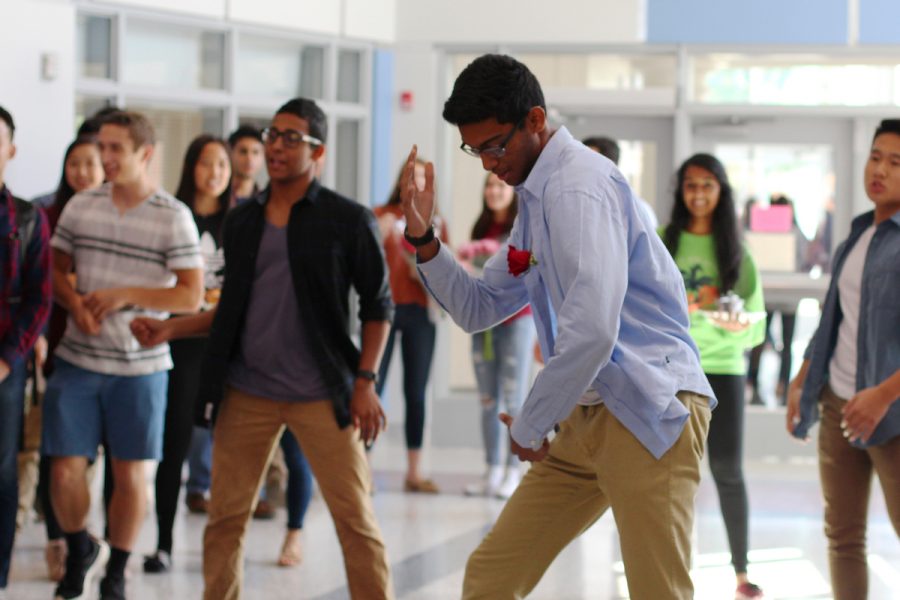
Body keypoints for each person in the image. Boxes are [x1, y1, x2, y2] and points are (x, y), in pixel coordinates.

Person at [400, 54, 714, 600]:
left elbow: (592, 330)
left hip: (647, 411)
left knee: (658, 592)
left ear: (536, 119)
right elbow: (479, 306)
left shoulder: (577, 189)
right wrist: (425, 238)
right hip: (587, 418)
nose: (487, 165)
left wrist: (530, 422)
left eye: (495, 145)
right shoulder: (537, 199)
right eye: (475, 150)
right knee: (492, 576)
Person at [130, 97, 394, 600]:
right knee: (226, 520)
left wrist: (366, 381)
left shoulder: (347, 219)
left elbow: (379, 307)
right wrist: (171, 329)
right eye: (274, 135)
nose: (276, 146)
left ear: (318, 152)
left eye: (291, 137)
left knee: (355, 520)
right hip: (247, 391)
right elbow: (235, 309)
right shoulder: (245, 219)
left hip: (324, 392)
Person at [43, 110, 203, 600]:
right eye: (102, 148)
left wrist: (120, 294)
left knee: (131, 476)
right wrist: (74, 304)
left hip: (141, 369)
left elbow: (190, 295)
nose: (105, 158)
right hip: (78, 358)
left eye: (116, 149)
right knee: (64, 468)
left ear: (144, 154)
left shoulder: (172, 215)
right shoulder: (81, 208)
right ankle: (79, 547)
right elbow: (55, 268)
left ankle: (116, 573)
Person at [787, 118, 900, 600]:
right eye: (876, 156)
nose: (880, 170)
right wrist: (801, 380)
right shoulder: (856, 235)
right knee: (843, 536)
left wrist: (883, 394)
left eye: (896, 163)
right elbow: (834, 320)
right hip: (837, 403)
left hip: (891, 411)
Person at [660, 153, 766, 600]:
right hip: (670, 370)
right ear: (681, 191)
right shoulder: (663, 240)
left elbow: (755, 323)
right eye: (690, 185)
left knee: (726, 470)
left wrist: (726, 323)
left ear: (721, 191)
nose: (699, 193)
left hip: (723, 368)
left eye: (708, 185)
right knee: (667, 473)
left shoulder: (737, 250)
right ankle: (669, 566)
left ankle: (741, 572)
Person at [143, 134, 231, 574]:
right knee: (173, 446)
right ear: (190, 167)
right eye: (205, 164)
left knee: (231, 455)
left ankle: (224, 549)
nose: (214, 173)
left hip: (227, 349)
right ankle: (163, 543)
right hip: (180, 344)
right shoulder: (173, 216)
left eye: (222, 165)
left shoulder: (242, 221)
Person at [36, 136, 105, 583]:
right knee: (54, 457)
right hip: (57, 346)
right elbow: (39, 283)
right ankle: (63, 542)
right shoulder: (47, 216)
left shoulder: (114, 216)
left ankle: (82, 541)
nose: (81, 172)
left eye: (90, 164)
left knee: (90, 461)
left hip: (107, 352)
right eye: (73, 163)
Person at [0, 104, 52, 598]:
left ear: (9, 151)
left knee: (2, 470)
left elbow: (41, 298)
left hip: (4, 366)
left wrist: (5, 359)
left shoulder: (27, 219)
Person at [373, 161, 450, 494]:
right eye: (411, 178)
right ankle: (361, 467)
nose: (416, 185)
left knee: (416, 392)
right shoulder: (381, 214)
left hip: (421, 312)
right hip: (384, 310)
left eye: (422, 180)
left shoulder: (437, 222)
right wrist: (380, 231)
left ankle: (415, 472)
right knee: (373, 388)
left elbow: (446, 269)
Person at [457, 173, 535, 499]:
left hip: (518, 320)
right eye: (488, 184)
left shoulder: (524, 227)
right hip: (484, 322)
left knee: (513, 397)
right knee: (489, 399)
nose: (493, 191)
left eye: (500, 185)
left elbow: (527, 268)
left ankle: (512, 470)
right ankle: (492, 469)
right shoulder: (480, 229)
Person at [582, 135, 658, 228]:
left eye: (589, 161)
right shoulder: (577, 203)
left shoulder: (637, 210)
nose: (582, 167)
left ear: (610, 166)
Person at [228, 125, 264, 205]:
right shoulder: (217, 197)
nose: (249, 158)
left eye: (255, 152)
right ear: (230, 153)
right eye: (243, 151)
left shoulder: (265, 202)